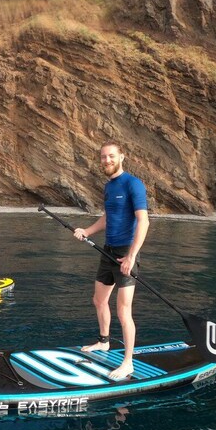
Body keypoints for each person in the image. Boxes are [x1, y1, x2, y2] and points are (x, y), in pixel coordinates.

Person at [73, 141, 150, 380]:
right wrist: (87, 230)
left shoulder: (133, 184)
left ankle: (128, 363)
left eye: (111, 156)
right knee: (99, 300)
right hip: (108, 252)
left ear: (122, 157)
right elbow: (108, 217)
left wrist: (131, 256)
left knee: (123, 310)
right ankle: (104, 341)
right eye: (103, 157)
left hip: (126, 252)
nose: (107, 160)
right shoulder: (108, 187)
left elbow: (144, 221)